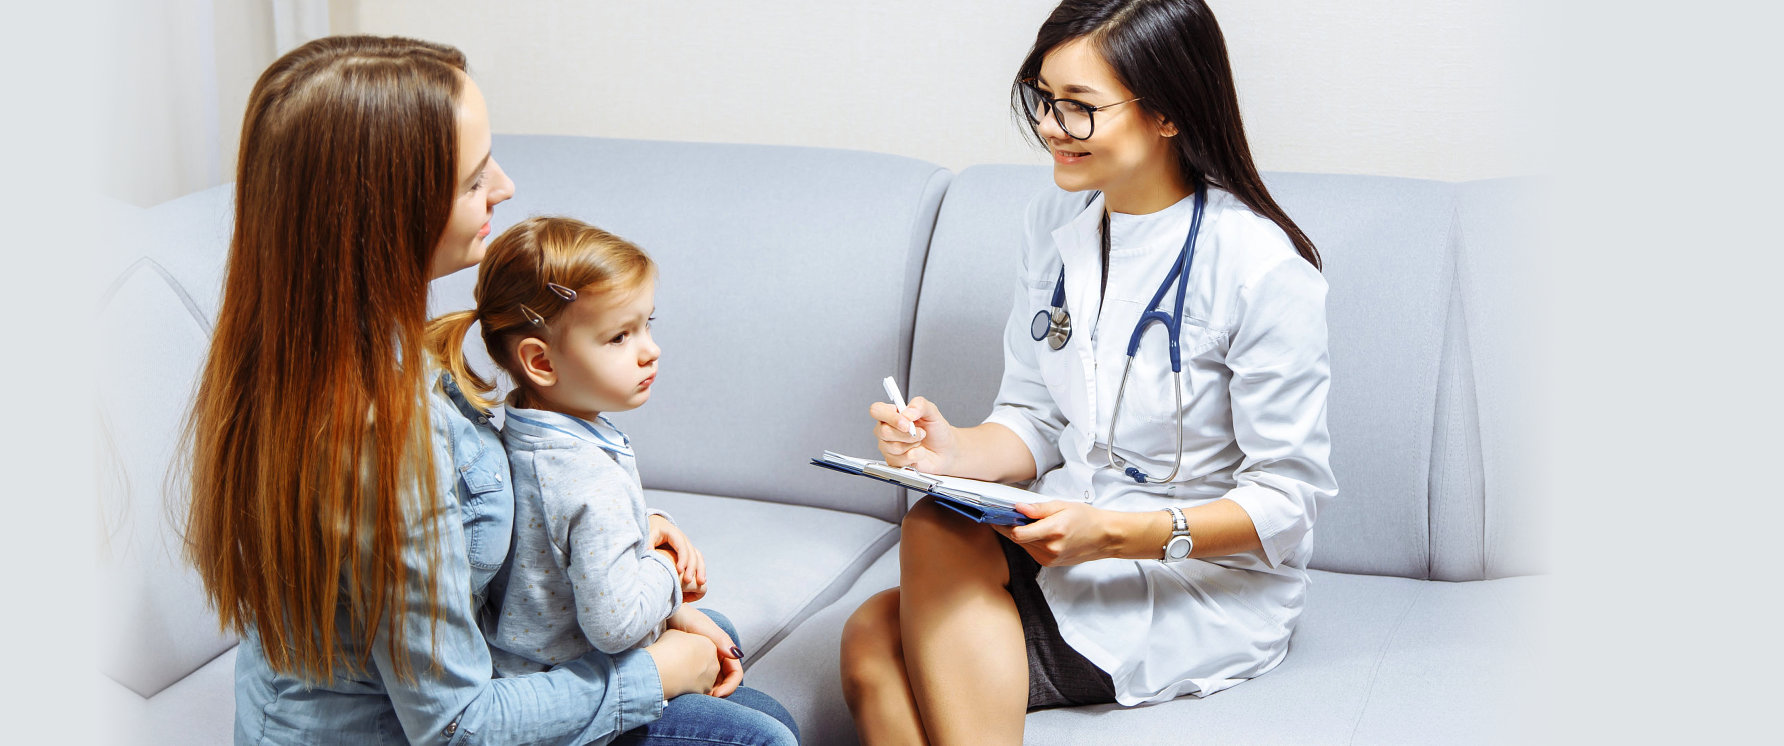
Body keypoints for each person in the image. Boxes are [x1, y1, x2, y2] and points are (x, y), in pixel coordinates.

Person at [182, 35, 737, 745]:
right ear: (384, 210)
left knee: (728, 664)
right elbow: (455, 727)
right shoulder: (376, 431)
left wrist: (625, 545)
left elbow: (466, 551)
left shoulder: (343, 351)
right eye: (474, 180)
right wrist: (654, 673)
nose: (503, 187)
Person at [837, 1, 1337, 743]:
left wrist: (1113, 535)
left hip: (1195, 580)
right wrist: (952, 452)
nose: (1049, 127)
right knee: (868, 633)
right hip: (1070, 537)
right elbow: (1036, 417)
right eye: (1044, 99)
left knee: (922, 558)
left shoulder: (1260, 267)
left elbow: (1286, 503)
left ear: (1167, 113)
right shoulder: (1054, 223)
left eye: (1079, 107)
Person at [426, 215, 799, 745]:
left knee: (753, 684)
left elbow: (554, 538)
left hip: (541, 658)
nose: (651, 349)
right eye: (620, 336)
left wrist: (646, 524)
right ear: (542, 362)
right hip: (569, 699)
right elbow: (615, 624)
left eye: (647, 323)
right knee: (770, 738)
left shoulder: (534, 432)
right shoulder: (581, 476)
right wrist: (665, 568)